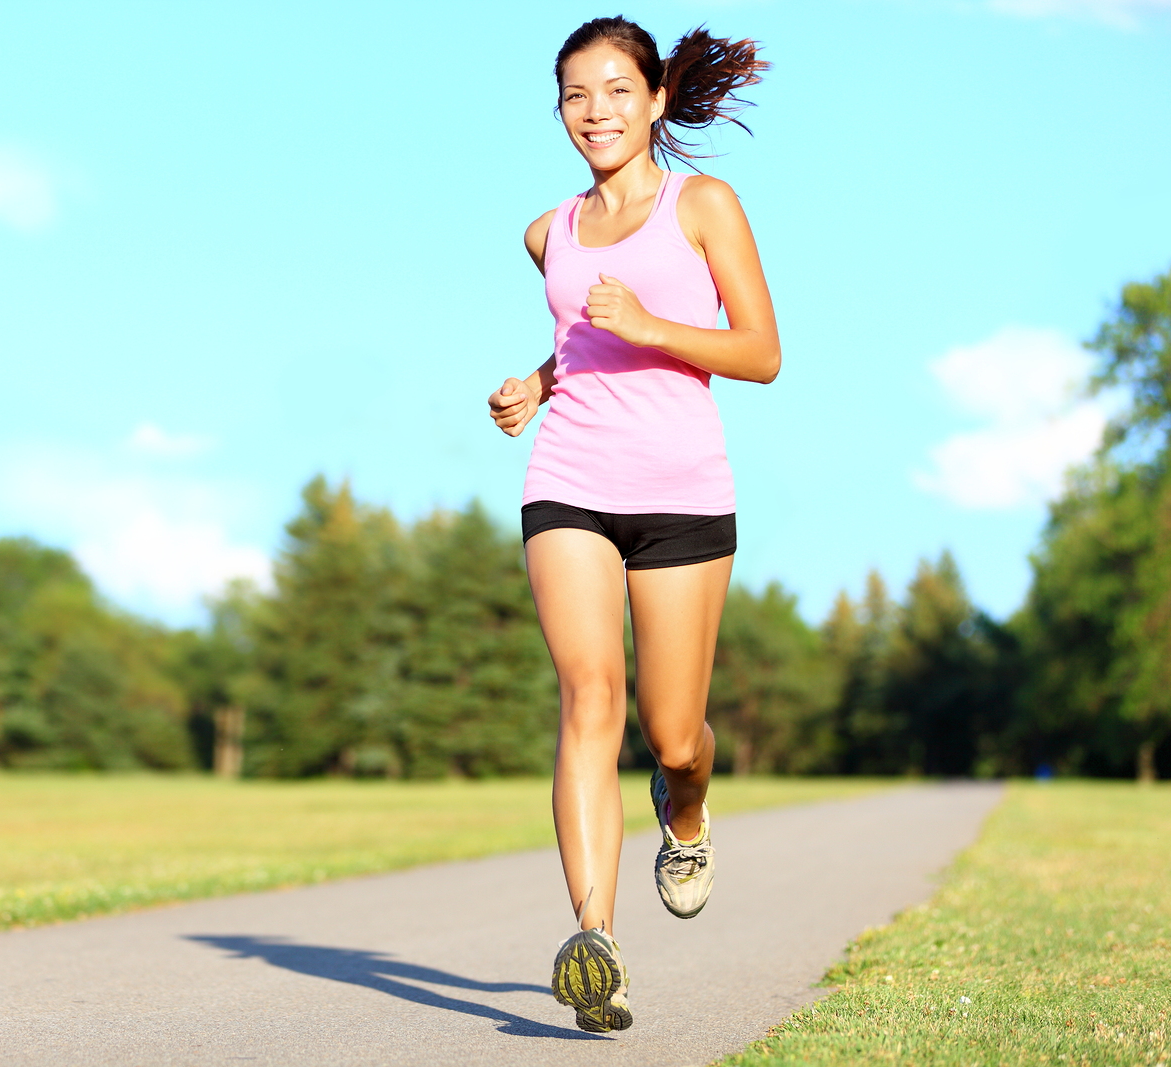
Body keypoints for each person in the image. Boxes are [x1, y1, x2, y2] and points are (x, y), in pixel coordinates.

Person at [486, 17, 778, 1034]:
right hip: (568, 478)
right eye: (574, 95)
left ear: (655, 100)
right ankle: (595, 939)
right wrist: (537, 381)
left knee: (671, 730)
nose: (594, 112)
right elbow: (582, 341)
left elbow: (760, 350)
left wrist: (651, 324)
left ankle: (686, 809)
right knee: (587, 693)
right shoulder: (547, 232)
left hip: (683, 494)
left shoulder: (703, 205)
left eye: (615, 90)